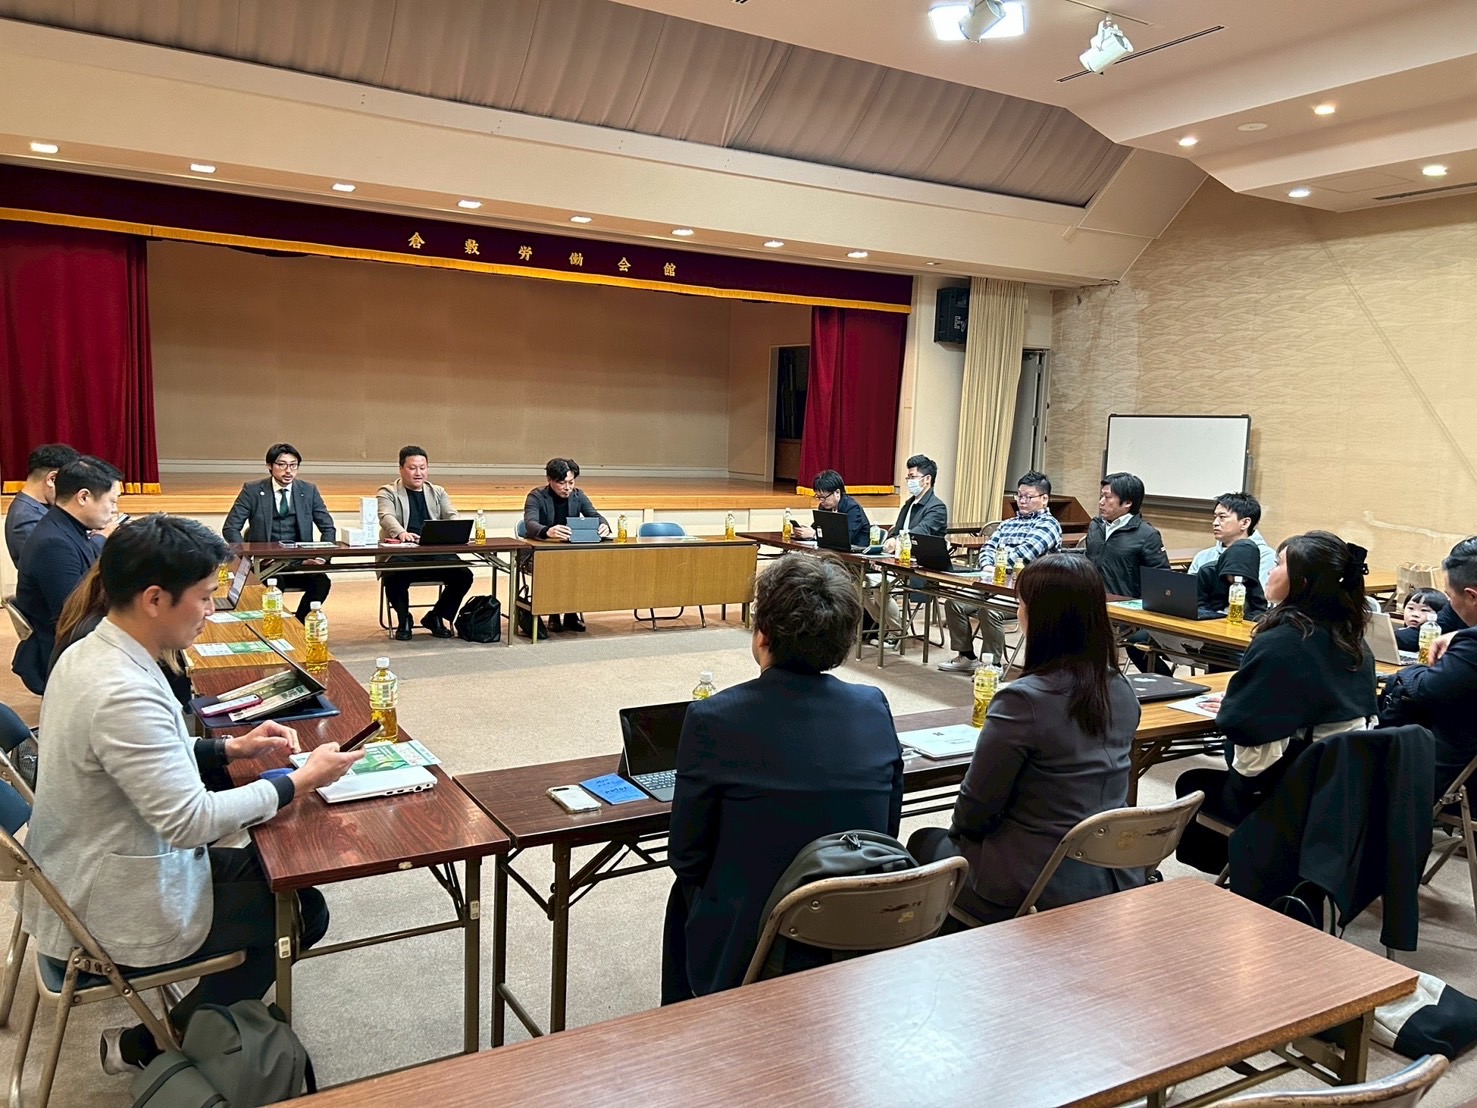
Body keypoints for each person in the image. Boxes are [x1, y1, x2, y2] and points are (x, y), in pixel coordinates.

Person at [18, 514, 361, 1073]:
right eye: (203, 597)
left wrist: (230, 749)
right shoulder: (121, 689)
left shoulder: (97, 649)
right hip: (110, 899)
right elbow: (190, 822)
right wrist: (297, 782)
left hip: (97, 866)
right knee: (300, 911)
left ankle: (181, 1029)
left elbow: (140, 758)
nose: (210, 610)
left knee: (283, 880)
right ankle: (154, 1045)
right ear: (155, 599)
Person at [662, 552, 903, 1002]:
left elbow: (687, 857)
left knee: (683, 898)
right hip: (857, 922)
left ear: (763, 634)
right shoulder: (873, 706)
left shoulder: (714, 717)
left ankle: (692, 1025)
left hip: (760, 940)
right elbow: (886, 831)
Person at [909, 553, 1142, 923]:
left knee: (924, 842)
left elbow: (976, 808)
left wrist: (965, 840)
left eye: (1020, 603)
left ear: (1038, 615)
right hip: (1113, 871)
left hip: (1036, 883)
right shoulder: (1122, 688)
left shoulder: (1022, 700)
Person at [1174, 531, 1378, 874]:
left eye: (1279, 564)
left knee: (1193, 783)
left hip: (1284, 792)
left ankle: (1249, 875)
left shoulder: (1283, 641)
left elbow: (1245, 730)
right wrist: (1245, 700)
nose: (1269, 571)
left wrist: (1234, 705)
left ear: (1301, 582)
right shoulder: (1354, 642)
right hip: (1337, 791)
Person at [11, 456, 122, 695]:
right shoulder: (53, 543)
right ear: (83, 497)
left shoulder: (67, 527)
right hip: (64, 652)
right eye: (112, 501)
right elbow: (74, 616)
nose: (115, 509)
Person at [1380, 537, 1477, 801]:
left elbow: (1425, 687)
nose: (1450, 603)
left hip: (1454, 776)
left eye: (1450, 597)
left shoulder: (1472, 647)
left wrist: (1408, 672)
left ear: (1471, 596)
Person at [939, 470, 1061, 674]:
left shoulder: (1049, 525)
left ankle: (992, 664)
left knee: (990, 609)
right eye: (1019, 496)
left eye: (1028, 497)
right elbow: (988, 547)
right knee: (954, 602)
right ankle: (967, 656)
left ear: (1044, 499)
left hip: (1026, 591)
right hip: (992, 582)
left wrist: (998, 564)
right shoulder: (1008, 524)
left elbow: (1024, 555)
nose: (1022, 501)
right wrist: (988, 565)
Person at [222, 443, 335, 621]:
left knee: (321, 582)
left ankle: (299, 624)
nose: (288, 470)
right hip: (267, 564)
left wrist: (321, 558)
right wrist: (248, 557)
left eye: (293, 465)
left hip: (300, 561)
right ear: (270, 466)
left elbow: (328, 527)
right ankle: (276, 625)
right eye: (282, 465)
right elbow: (231, 528)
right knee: (274, 587)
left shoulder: (308, 490)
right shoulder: (252, 490)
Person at [376, 445, 474, 640]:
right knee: (393, 574)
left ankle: (436, 616)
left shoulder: (437, 491)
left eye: (422, 468)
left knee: (463, 575)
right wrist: (401, 533)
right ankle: (404, 619)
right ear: (401, 469)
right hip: (403, 552)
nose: (418, 473)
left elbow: (451, 513)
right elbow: (386, 516)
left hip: (434, 551)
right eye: (412, 468)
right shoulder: (387, 492)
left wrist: (455, 528)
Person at [862, 455, 948, 639]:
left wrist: (898, 541)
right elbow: (896, 530)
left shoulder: (937, 508)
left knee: (880, 587)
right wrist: (888, 543)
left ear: (927, 479)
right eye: (908, 477)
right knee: (860, 583)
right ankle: (887, 626)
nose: (909, 481)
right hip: (897, 562)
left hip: (921, 566)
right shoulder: (909, 504)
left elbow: (921, 531)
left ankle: (895, 632)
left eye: (913, 477)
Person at [522, 458, 610, 633]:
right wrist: (547, 531)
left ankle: (571, 614)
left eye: (571, 482)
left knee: (581, 565)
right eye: (562, 483)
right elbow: (530, 523)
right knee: (555, 567)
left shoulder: (578, 495)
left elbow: (594, 515)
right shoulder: (536, 496)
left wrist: (603, 525)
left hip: (569, 551)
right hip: (541, 553)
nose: (567, 487)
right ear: (550, 480)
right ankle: (553, 614)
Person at [4, 443, 80, 565]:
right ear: (52, 479)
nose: (71, 493)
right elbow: (56, 563)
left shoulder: (39, 507)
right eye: (69, 485)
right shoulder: (26, 518)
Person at [1187, 492, 1276, 586]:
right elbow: (1188, 590)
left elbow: (1264, 593)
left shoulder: (1266, 557)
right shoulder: (1203, 556)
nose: (1215, 523)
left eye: (1222, 517)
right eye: (1215, 517)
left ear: (1245, 523)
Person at [792, 469, 871, 548]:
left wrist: (814, 534)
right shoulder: (824, 507)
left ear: (837, 493)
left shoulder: (853, 509)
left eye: (823, 497)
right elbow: (817, 527)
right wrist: (803, 532)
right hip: (832, 550)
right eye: (818, 497)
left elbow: (843, 539)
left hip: (856, 552)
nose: (821, 501)